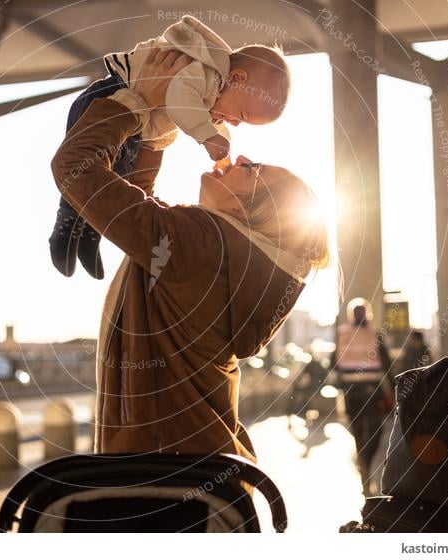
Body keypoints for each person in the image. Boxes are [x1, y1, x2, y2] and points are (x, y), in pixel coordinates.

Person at [50, 48, 329, 464]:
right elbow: (142, 213)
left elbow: (75, 164)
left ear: (244, 212)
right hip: (198, 474)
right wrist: (160, 126)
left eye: (252, 169)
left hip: (154, 482)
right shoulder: (225, 257)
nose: (238, 156)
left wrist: (137, 103)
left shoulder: (202, 244)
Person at [49, 15, 291, 280]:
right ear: (236, 77)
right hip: (110, 98)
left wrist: (214, 134)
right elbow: (178, 99)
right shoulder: (204, 73)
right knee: (101, 183)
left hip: (130, 122)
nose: (234, 123)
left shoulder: (196, 247)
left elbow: (138, 195)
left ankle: (89, 235)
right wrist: (208, 136)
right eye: (241, 115)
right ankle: (66, 229)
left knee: (113, 180)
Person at [332, 298, 392, 496]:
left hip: (350, 391)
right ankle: (365, 462)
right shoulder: (375, 333)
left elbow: (334, 363)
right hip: (371, 390)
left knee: (358, 431)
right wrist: (393, 386)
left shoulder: (342, 333)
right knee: (376, 430)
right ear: (369, 313)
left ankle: (363, 464)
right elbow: (386, 362)